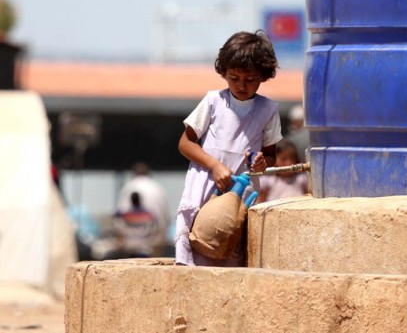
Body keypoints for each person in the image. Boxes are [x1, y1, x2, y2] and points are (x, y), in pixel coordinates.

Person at [175, 30, 282, 267]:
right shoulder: (213, 101)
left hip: (241, 188)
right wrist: (214, 166)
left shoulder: (269, 110)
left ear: (263, 76)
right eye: (234, 78)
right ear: (223, 72)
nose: (242, 85)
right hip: (205, 181)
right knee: (194, 233)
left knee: (231, 241)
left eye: (250, 79)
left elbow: (271, 155)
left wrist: (262, 163)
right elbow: (185, 143)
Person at [117, 162, 170, 254]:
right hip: (154, 242)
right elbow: (165, 217)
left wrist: (121, 239)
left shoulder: (129, 186)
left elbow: (120, 219)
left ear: (134, 174)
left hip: (132, 243)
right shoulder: (158, 188)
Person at [106, 192, 159, 259]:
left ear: (131, 200)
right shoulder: (147, 214)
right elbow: (155, 227)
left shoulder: (125, 213)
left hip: (130, 247)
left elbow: (116, 215)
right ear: (140, 200)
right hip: (144, 247)